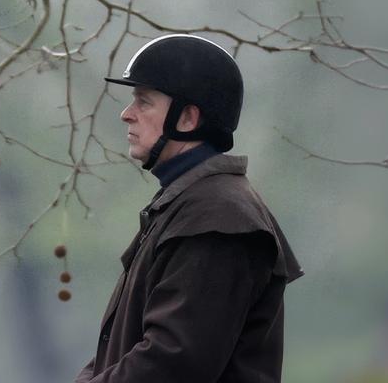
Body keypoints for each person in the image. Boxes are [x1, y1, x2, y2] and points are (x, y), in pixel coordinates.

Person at [75, 34, 304, 382]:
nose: (126, 114)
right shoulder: (191, 204)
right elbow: (119, 352)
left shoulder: (219, 216)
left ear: (187, 118)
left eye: (144, 102)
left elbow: (172, 363)